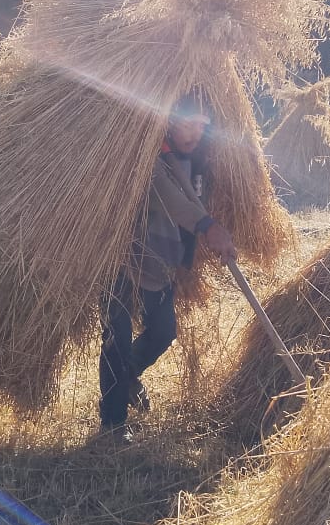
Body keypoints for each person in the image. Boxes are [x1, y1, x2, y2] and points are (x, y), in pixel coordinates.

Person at [98, 93, 237, 443]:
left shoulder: (195, 160)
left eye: (201, 126)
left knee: (163, 332)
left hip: (158, 261)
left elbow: (192, 198)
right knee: (116, 337)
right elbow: (167, 197)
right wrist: (207, 226)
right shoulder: (149, 154)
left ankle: (129, 376)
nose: (195, 134)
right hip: (120, 255)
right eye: (189, 125)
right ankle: (112, 425)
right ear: (171, 122)